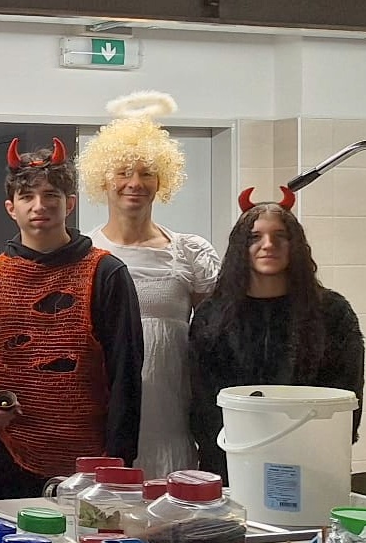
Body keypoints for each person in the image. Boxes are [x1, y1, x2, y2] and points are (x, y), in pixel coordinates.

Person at [0, 139, 144, 498]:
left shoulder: (106, 273)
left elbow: (126, 375)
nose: (39, 206)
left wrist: (118, 463)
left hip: (89, 457)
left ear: (70, 203)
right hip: (4, 452)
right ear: (11, 208)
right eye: (27, 196)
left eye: (51, 195)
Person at [83, 92, 221, 476]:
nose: (135, 183)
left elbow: (216, 335)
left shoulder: (189, 251)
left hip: (173, 412)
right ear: (102, 178)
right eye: (123, 172)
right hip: (107, 411)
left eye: (146, 173)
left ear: (163, 180)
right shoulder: (86, 254)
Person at [190, 193, 364, 477]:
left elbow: (346, 395)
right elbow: (203, 401)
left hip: (312, 461)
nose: (268, 245)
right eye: (254, 237)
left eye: (280, 236)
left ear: (296, 246)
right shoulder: (212, 315)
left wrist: (323, 448)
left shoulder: (332, 312)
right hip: (232, 460)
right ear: (240, 247)